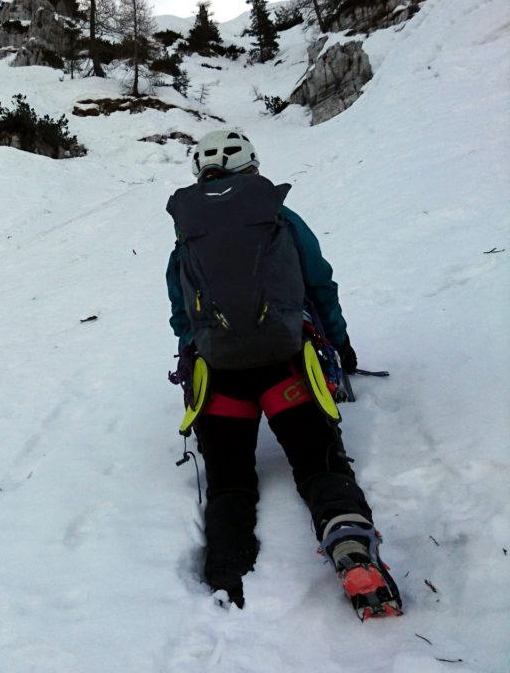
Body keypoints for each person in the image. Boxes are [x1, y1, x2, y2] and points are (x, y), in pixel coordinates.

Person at [165, 128, 401, 618]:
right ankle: (349, 542)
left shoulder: (187, 235)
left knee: (229, 483)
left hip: (220, 377)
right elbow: (320, 284)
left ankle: (225, 574)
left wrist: (197, 356)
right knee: (320, 466)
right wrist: (340, 345)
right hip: (287, 367)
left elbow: (182, 316)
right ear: (251, 168)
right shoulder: (280, 219)